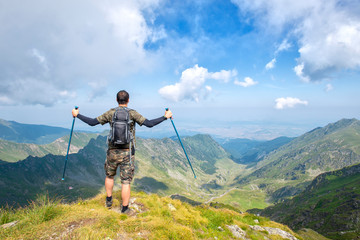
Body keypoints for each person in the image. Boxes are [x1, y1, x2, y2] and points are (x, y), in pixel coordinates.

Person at [72, 90, 172, 214]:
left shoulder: (111, 113)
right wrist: (165, 117)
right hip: (127, 152)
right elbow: (149, 124)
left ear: (116, 100)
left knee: (109, 176)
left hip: (112, 151)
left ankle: (109, 201)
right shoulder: (132, 113)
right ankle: (124, 209)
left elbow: (92, 122)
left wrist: (77, 115)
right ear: (128, 100)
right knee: (125, 182)